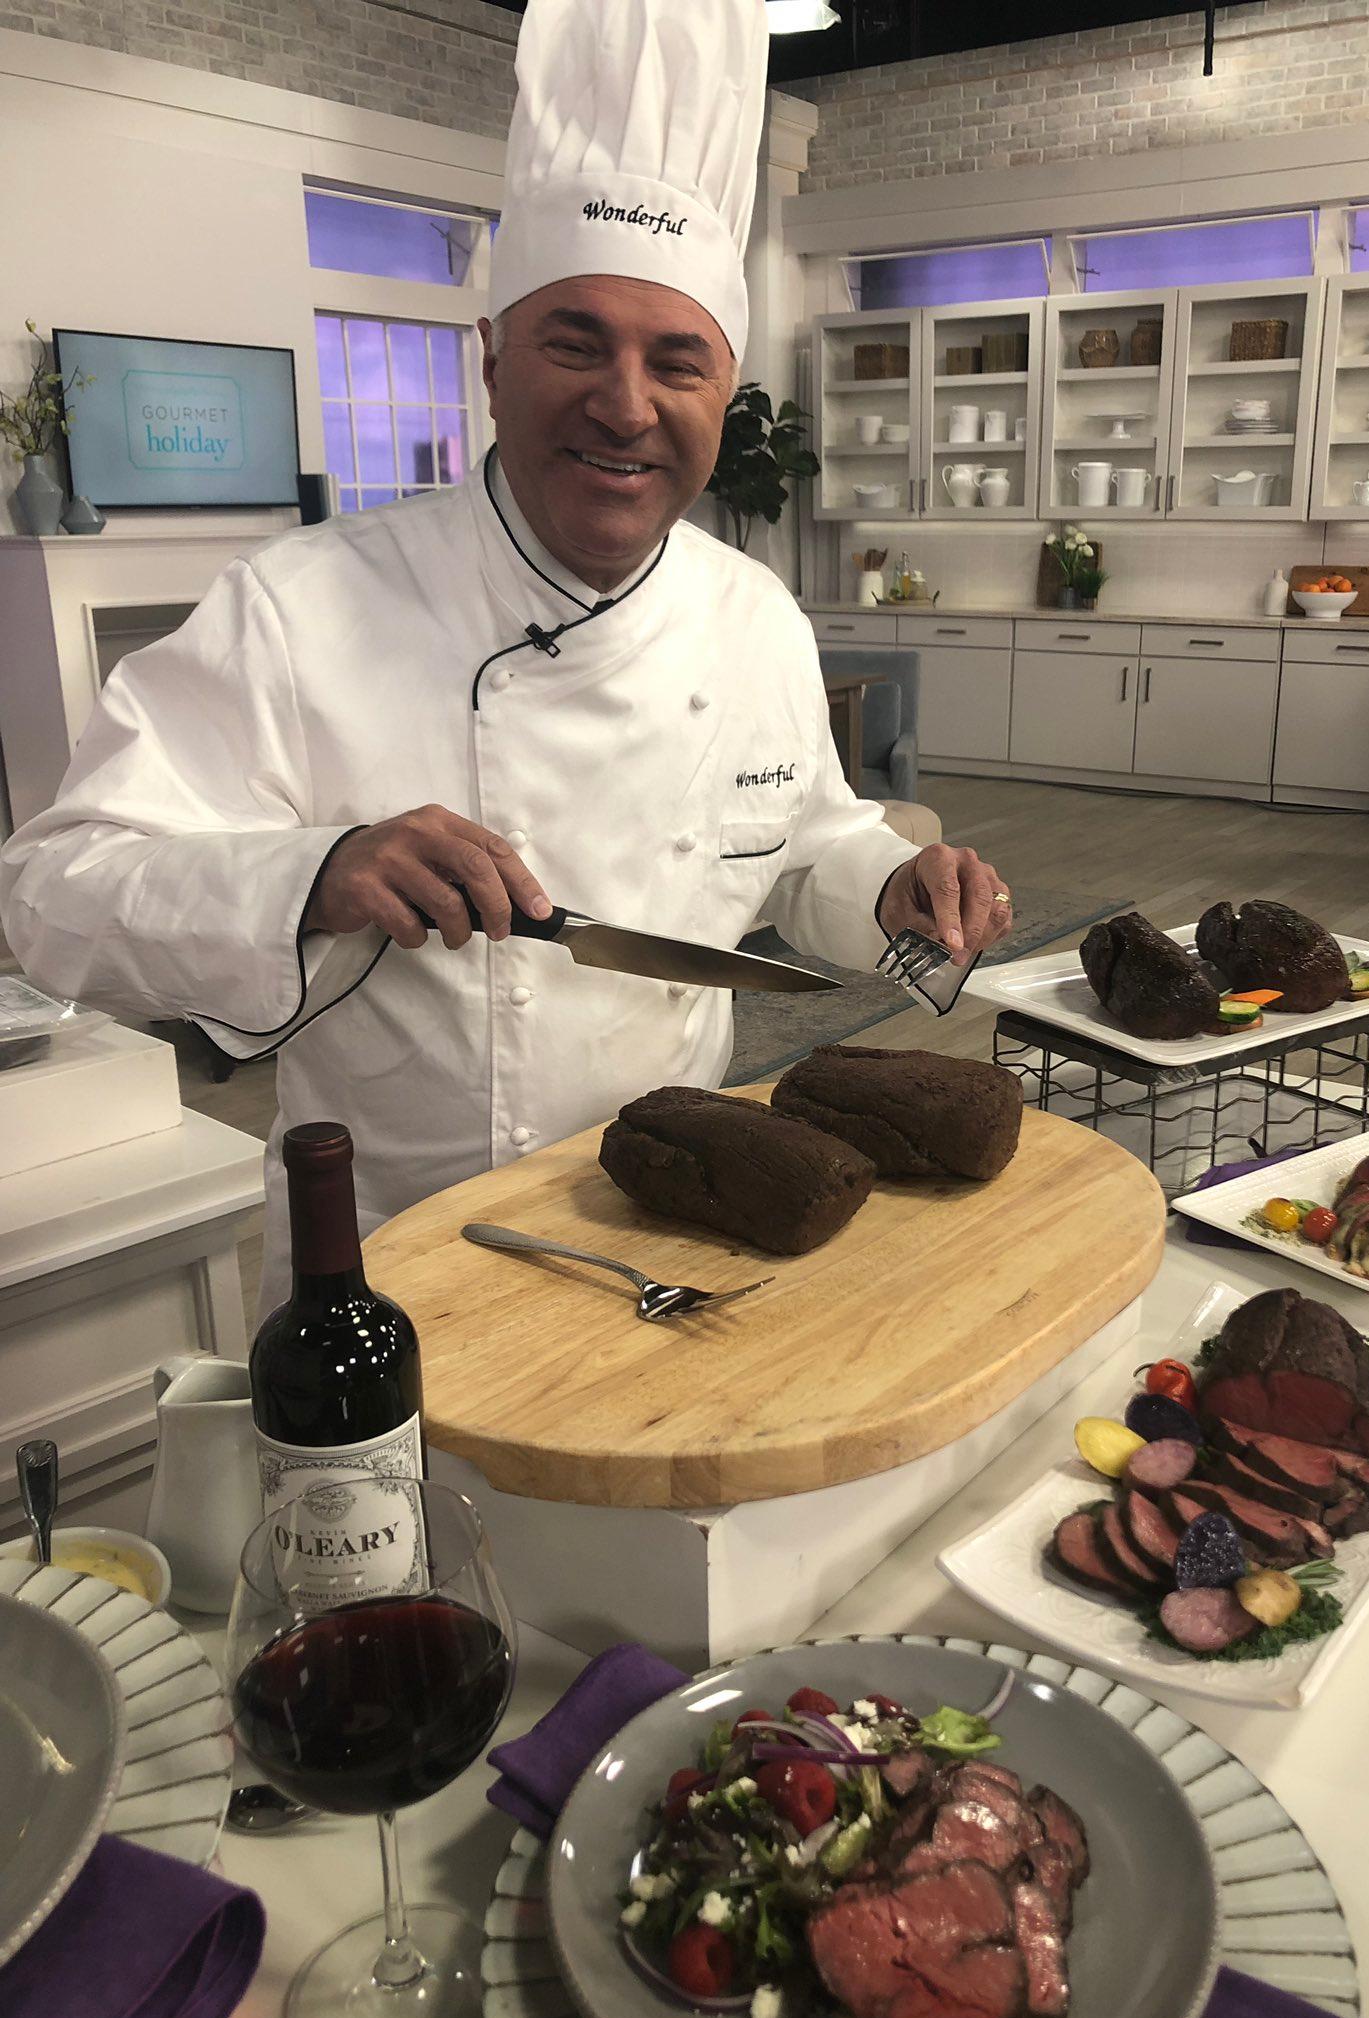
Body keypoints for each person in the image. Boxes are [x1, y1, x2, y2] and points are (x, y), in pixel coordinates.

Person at [0, 0, 1011, 1309]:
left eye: (677, 361)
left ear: (726, 394)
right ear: (490, 359)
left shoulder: (749, 612)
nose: (626, 404)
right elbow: (50, 898)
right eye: (574, 342)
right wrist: (321, 872)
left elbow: (800, 843)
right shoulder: (300, 606)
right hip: (397, 1267)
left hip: (682, 1227)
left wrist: (889, 885)